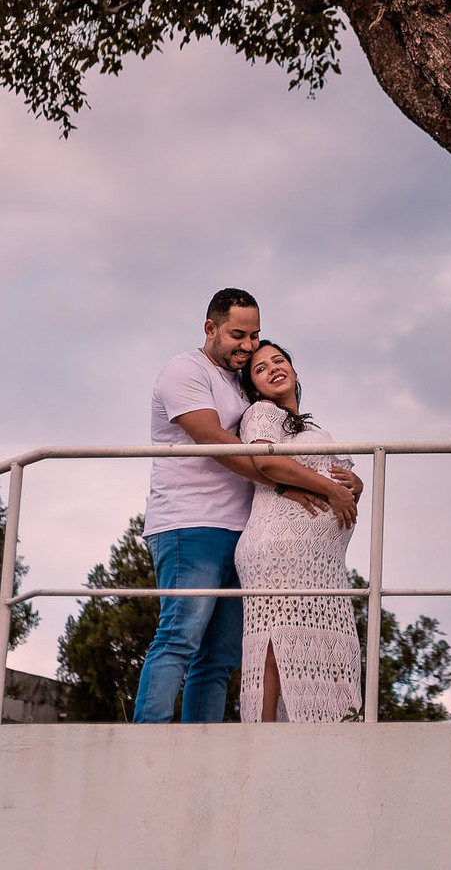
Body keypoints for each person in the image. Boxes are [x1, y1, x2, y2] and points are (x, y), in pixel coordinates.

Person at [133, 290, 353, 724]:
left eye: (254, 335)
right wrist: (284, 484)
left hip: (241, 530)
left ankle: (204, 747)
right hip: (189, 522)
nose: (248, 345)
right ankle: (148, 739)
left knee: (219, 658)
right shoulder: (185, 371)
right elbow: (214, 442)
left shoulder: (239, 380)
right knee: (180, 636)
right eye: (238, 334)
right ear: (210, 328)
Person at [236, 340, 362, 722]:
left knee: (322, 645)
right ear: (255, 387)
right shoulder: (261, 412)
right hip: (279, 547)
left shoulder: (311, 427)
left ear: (294, 370)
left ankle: (332, 729)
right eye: (260, 368)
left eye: (279, 361)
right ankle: (264, 731)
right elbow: (264, 461)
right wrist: (331, 490)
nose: (273, 368)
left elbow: (343, 477)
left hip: (323, 561)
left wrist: (354, 484)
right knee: (278, 639)